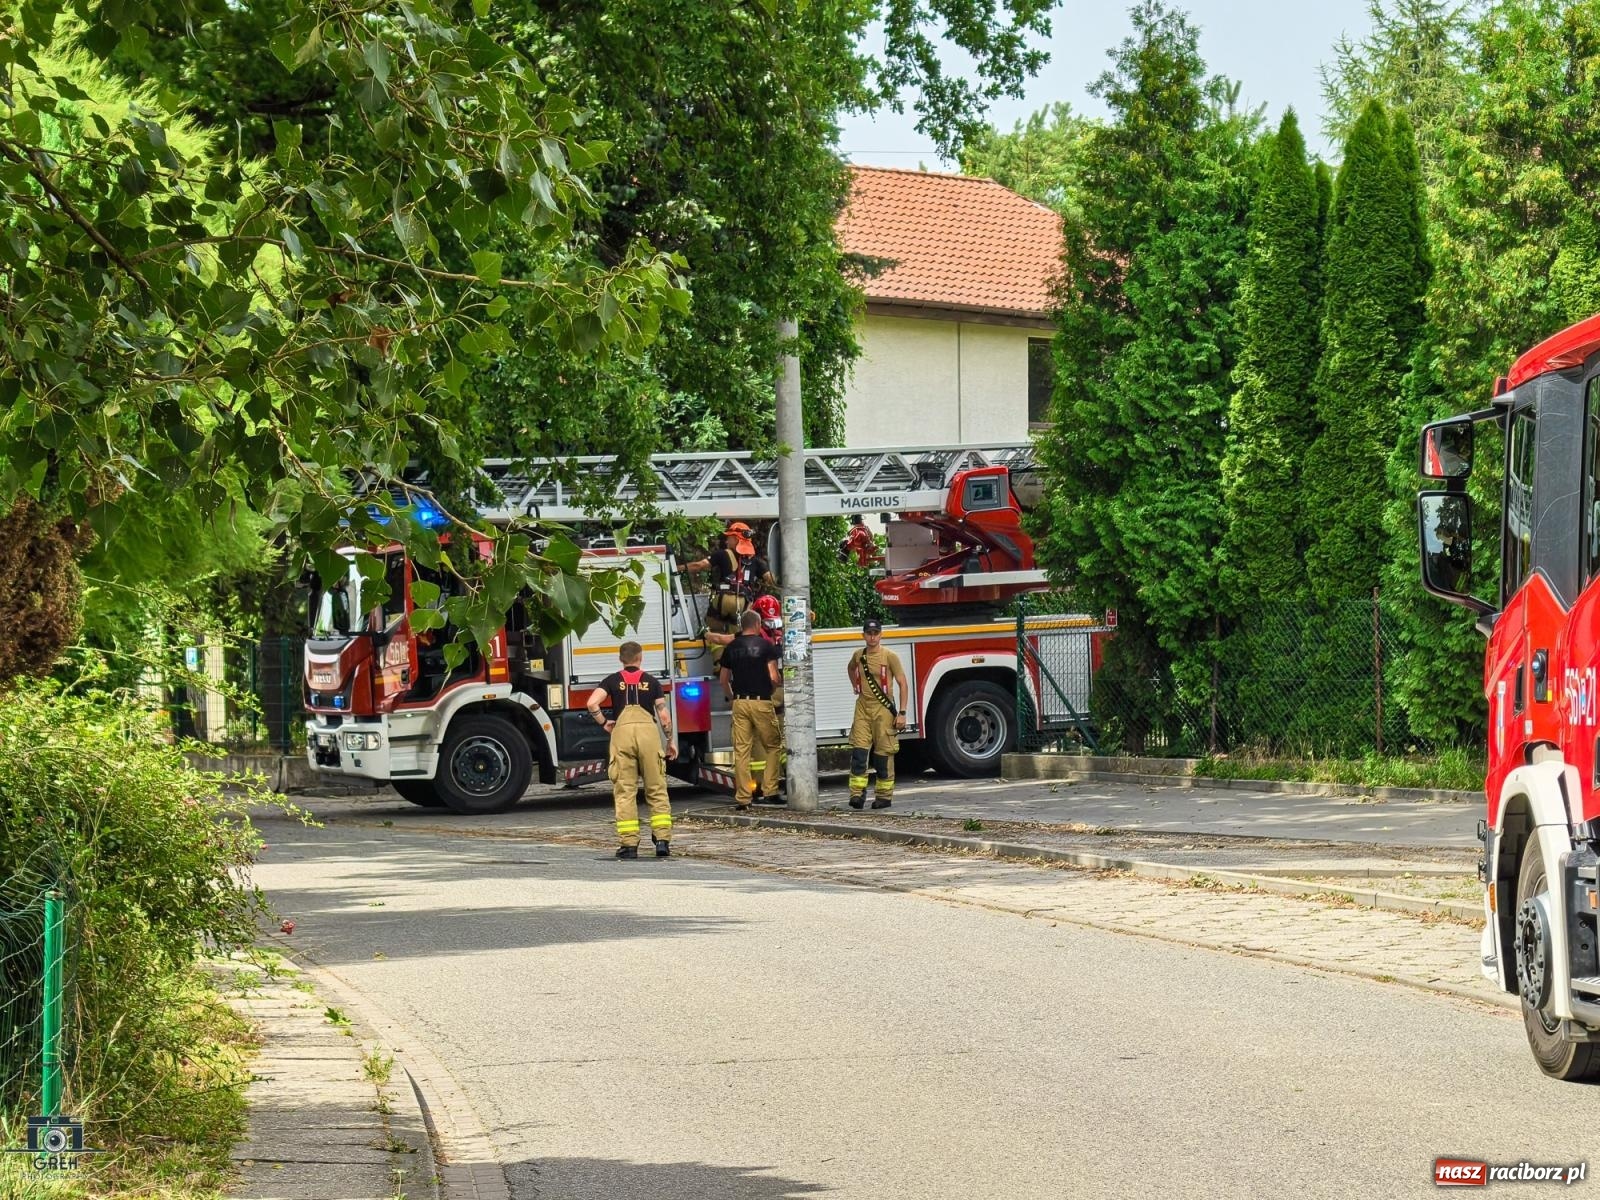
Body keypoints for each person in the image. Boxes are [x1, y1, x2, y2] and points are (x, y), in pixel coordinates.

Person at [586, 641, 679, 859]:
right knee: (656, 788)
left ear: (621, 659)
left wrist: (603, 723)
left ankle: (629, 845)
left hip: (622, 734)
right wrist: (670, 740)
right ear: (640, 658)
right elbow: (663, 716)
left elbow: (592, 703)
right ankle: (662, 841)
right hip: (648, 733)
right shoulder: (652, 681)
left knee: (625, 791)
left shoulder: (612, 680)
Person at [719, 609, 783, 810]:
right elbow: (773, 676)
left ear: (742, 626)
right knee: (773, 745)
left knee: (742, 751)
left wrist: (732, 697)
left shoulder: (731, 648)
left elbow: (723, 679)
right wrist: (773, 688)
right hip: (761, 701)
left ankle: (743, 798)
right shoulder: (766, 646)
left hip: (740, 703)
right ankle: (770, 791)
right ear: (757, 625)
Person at [846, 617, 908, 810]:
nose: (872, 637)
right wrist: (855, 685)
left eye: (875, 633)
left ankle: (884, 796)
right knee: (859, 752)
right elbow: (850, 668)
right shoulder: (859, 655)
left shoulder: (890, 656)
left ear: (881, 634)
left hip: (884, 710)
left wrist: (902, 713)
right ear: (863, 635)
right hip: (863, 708)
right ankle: (857, 795)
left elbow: (902, 683)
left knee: (883, 755)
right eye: (869, 633)